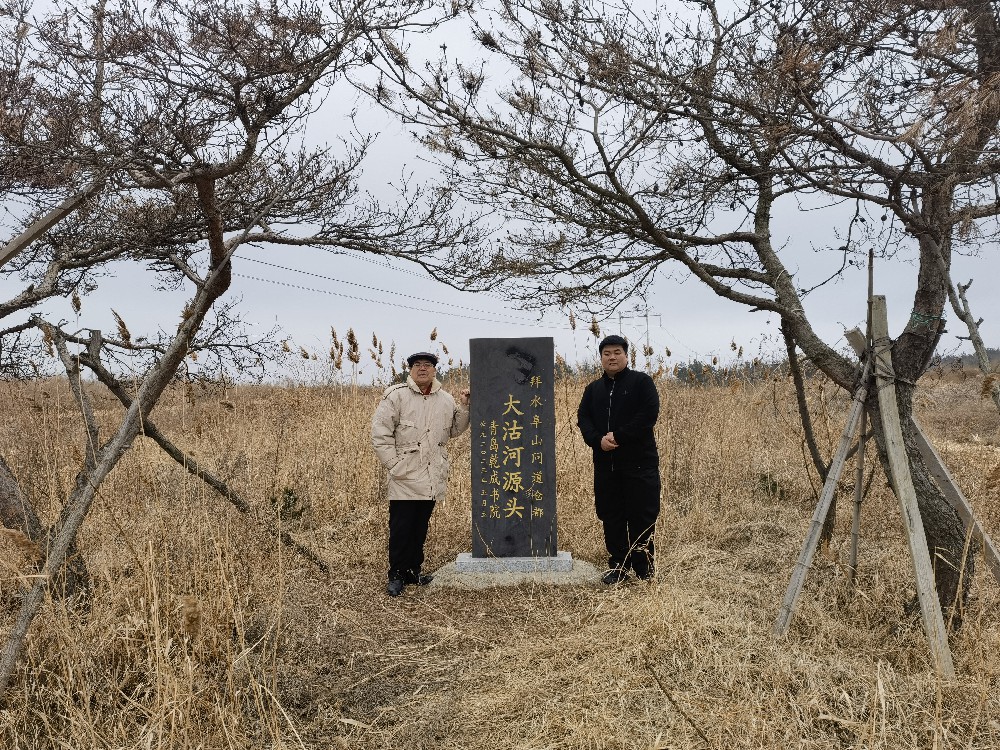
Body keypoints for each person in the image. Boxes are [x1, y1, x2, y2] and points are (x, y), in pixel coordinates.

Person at [371, 351, 470, 597]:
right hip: (405, 474)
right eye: (417, 365)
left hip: (431, 473)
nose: (422, 369)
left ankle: (413, 570)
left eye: (427, 365)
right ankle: (396, 574)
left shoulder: (446, 400)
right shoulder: (396, 396)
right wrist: (394, 465)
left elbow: (454, 429)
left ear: (435, 370)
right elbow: (380, 434)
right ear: (411, 370)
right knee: (401, 526)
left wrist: (466, 406)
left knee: (420, 526)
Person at [577, 335, 661, 585]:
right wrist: (597, 440)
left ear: (626, 355)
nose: (611, 357)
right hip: (606, 465)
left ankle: (644, 567)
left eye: (617, 352)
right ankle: (619, 566)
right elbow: (583, 419)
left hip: (639, 464)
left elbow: (648, 414)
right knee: (611, 516)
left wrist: (619, 436)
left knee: (642, 515)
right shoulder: (593, 389)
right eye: (606, 353)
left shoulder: (641, 382)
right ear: (601, 358)